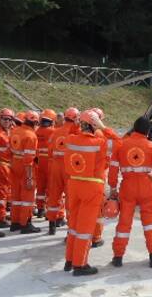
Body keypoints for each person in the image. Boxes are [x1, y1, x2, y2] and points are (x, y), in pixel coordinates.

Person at [109, 116, 152, 268]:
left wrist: (112, 188)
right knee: (150, 223)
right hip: (146, 187)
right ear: (148, 131)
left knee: (124, 223)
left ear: (134, 128)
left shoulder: (121, 145)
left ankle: (118, 257)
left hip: (127, 187)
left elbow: (112, 169)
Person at [63, 110, 108, 276]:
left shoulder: (70, 140)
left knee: (73, 226)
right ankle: (80, 265)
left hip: (74, 184)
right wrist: (102, 127)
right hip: (92, 187)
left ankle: (69, 260)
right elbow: (117, 142)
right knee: (85, 229)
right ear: (94, 125)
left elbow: (71, 132)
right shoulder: (100, 142)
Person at [46, 107, 80, 235]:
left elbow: (49, 151)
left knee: (54, 195)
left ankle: (51, 225)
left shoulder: (56, 132)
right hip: (69, 168)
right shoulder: (76, 132)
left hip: (55, 166)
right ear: (76, 118)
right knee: (70, 198)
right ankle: (70, 230)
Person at [90, 107, 121, 248]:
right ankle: (96, 238)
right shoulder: (103, 137)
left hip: (78, 177)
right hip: (98, 178)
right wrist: (104, 128)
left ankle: (71, 235)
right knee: (97, 209)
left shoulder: (77, 135)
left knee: (76, 208)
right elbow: (118, 143)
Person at [10, 110, 41, 233]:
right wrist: (29, 177)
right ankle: (25, 223)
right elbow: (28, 159)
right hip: (25, 168)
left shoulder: (15, 131)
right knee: (27, 197)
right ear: (35, 122)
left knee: (16, 196)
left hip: (14, 165)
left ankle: (15, 222)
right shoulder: (31, 136)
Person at [36, 109, 57, 218]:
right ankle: (50, 210)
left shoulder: (36, 131)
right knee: (50, 187)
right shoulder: (53, 131)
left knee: (40, 187)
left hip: (38, 161)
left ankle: (40, 209)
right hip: (49, 162)